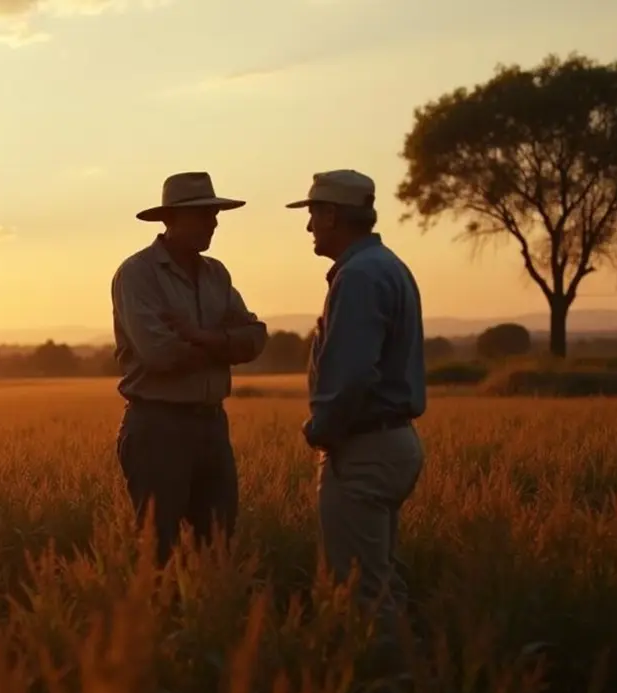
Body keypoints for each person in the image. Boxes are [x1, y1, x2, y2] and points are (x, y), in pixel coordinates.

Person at [286, 169, 427, 612]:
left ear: (331, 215)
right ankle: (412, 669)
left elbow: (352, 375)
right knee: (381, 580)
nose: (308, 226)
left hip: (363, 449)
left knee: (358, 592)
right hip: (391, 442)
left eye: (312, 214)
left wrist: (320, 428)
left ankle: (386, 676)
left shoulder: (359, 277)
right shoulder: (386, 266)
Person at [111, 171, 268, 565]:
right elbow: (159, 353)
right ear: (171, 219)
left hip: (212, 426)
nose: (213, 223)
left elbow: (256, 339)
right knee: (157, 552)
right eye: (202, 215)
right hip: (157, 428)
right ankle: (157, 625)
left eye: (214, 214)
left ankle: (208, 622)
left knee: (218, 546)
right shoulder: (137, 274)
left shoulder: (217, 273)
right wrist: (223, 344)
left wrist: (199, 336)